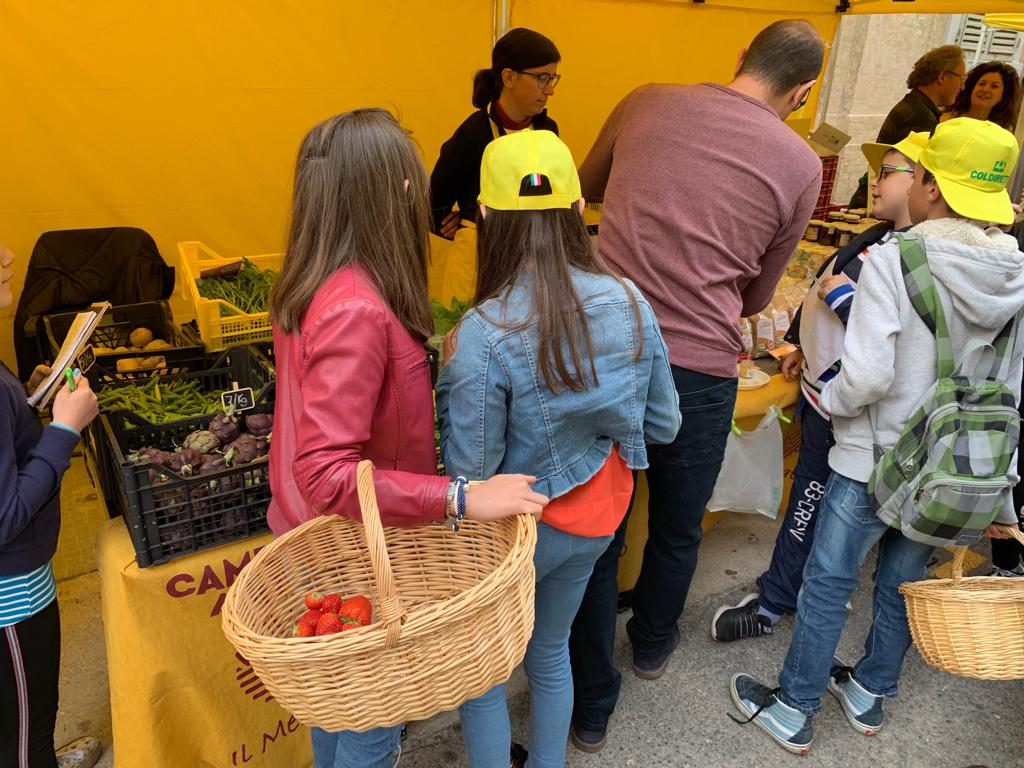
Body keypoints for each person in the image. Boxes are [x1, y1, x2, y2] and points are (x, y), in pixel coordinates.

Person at [566, 19, 824, 752]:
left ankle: (591, 706)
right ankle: (652, 646)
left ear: (741, 57)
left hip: (609, 350)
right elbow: (756, 297)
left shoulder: (647, 100)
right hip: (701, 368)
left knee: (598, 532)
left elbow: (582, 188)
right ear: (803, 93)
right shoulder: (801, 163)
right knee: (678, 527)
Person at [730, 117, 1024, 755]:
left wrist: (829, 400)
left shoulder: (897, 259)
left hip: (872, 459)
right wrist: (1002, 495)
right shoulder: (1014, 273)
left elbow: (865, 377)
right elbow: (1008, 391)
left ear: (931, 186)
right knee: (899, 582)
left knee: (829, 582)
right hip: (948, 468)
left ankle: (795, 706)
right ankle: (870, 690)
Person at [266, 109, 548, 768]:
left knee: (338, 708)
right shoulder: (356, 308)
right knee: (371, 724)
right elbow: (327, 472)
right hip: (358, 549)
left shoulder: (311, 282)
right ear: (390, 191)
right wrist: (460, 496)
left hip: (316, 537)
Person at [437, 130, 680, 768]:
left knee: (486, 675)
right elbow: (663, 425)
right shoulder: (630, 300)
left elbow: (471, 476)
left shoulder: (483, 332)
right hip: (598, 520)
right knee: (550, 652)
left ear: (484, 216)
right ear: (578, 209)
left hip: (518, 534)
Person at [710, 131, 927, 642]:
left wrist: (842, 302)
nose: (875, 181)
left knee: (816, 508)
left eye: (887, 172)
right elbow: (824, 293)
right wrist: (802, 345)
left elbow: (894, 341)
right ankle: (797, 589)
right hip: (825, 395)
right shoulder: (879, 236)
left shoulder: (912, 257)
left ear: (925, 183)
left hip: (846, 407)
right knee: (816, 507)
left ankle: (778, 602)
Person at [1, 243, 103, 768]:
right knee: (26, 738)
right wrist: (64, 430)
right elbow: (5, 516)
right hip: (11, 604)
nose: (7, 255)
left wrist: (28, 402)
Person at [430, 27, 561, 237]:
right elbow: (434, 205)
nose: (550, 90)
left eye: (553, 78)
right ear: (509, 77)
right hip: (485, 252)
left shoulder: (548, 130)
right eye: (542, 78)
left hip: (536, 248)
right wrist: (462, 219)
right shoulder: (472, 135)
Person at [849, 45, 965, 207]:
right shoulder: (921, 116)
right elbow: (909, 176)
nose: (962, 87)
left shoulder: (915, 106)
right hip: (879, 204)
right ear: (942, 77)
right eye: (961, 78)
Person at [944, 61, 1022, 131]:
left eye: (994, 86)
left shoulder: (1002, 131)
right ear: (971, 88)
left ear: (1004, 96)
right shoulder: (946, 119)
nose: (985, 89)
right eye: (982, 84)